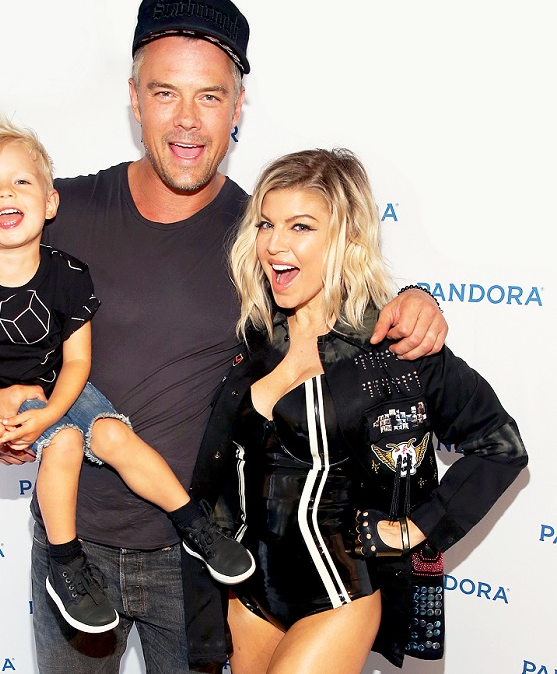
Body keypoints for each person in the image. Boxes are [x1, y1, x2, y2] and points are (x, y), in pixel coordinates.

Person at [0, 0, 450, 673]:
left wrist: (417, 298)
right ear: (135, 100)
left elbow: (347, 293)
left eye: (210, 96)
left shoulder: (264, 234)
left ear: (238, 107)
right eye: (165, 93)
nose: (187, 120)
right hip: (73, 548)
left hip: (200, 555)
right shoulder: (56, 210)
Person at [188, 148, 528, 673]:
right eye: (266, 224)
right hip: (246, 587)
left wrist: (411, 529)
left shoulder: (395, 348)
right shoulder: (253, 334)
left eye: (301, 226)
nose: (275, 244)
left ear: (348, 238)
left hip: (337, 595)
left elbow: (500, 446)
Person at [0, 116, 254, 636]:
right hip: (10, 401)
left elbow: (77, 363)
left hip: (66, 389)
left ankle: (195, 526)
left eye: (21, 181)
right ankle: (65, 562)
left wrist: (53, 409)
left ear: (50, 203)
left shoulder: (69, 273)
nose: (5, 193)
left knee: (115, 436)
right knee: (66, 444)